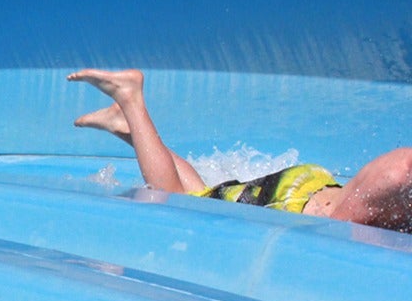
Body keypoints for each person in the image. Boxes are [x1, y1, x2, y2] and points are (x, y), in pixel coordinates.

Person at [71, 68, 412, 233]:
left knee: (198, 193)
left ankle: (130, 124)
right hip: (295, 205)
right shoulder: (398, 177)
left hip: (308, 187)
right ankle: (131, 98)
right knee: (173, 203)